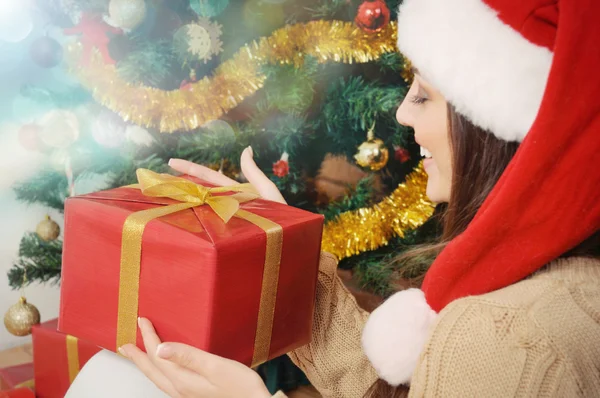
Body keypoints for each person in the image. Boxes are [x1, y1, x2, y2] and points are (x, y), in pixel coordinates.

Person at [69, 0, 600, 396]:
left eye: (425, 96)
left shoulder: (505, 338)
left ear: (497, 128)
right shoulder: (561, 287)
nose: (401, 114)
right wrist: (281, 249)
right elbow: (389, 386)